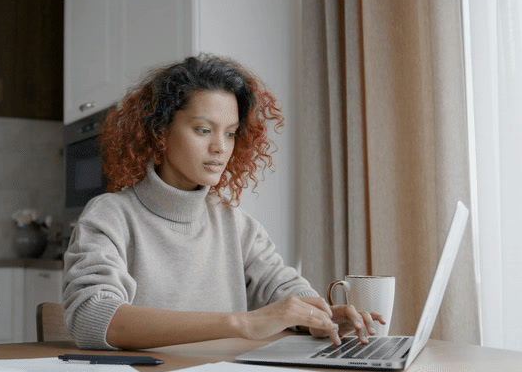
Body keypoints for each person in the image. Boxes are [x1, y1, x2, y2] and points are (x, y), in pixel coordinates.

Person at [62, 54, 384, 350]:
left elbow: (281, 286)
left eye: (230, 133)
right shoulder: (111, 216)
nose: (220, 147)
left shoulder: (236, 225)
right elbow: (93, 316)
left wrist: (318, 317)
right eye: (203, 130)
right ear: (160, 131)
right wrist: (242, 323)